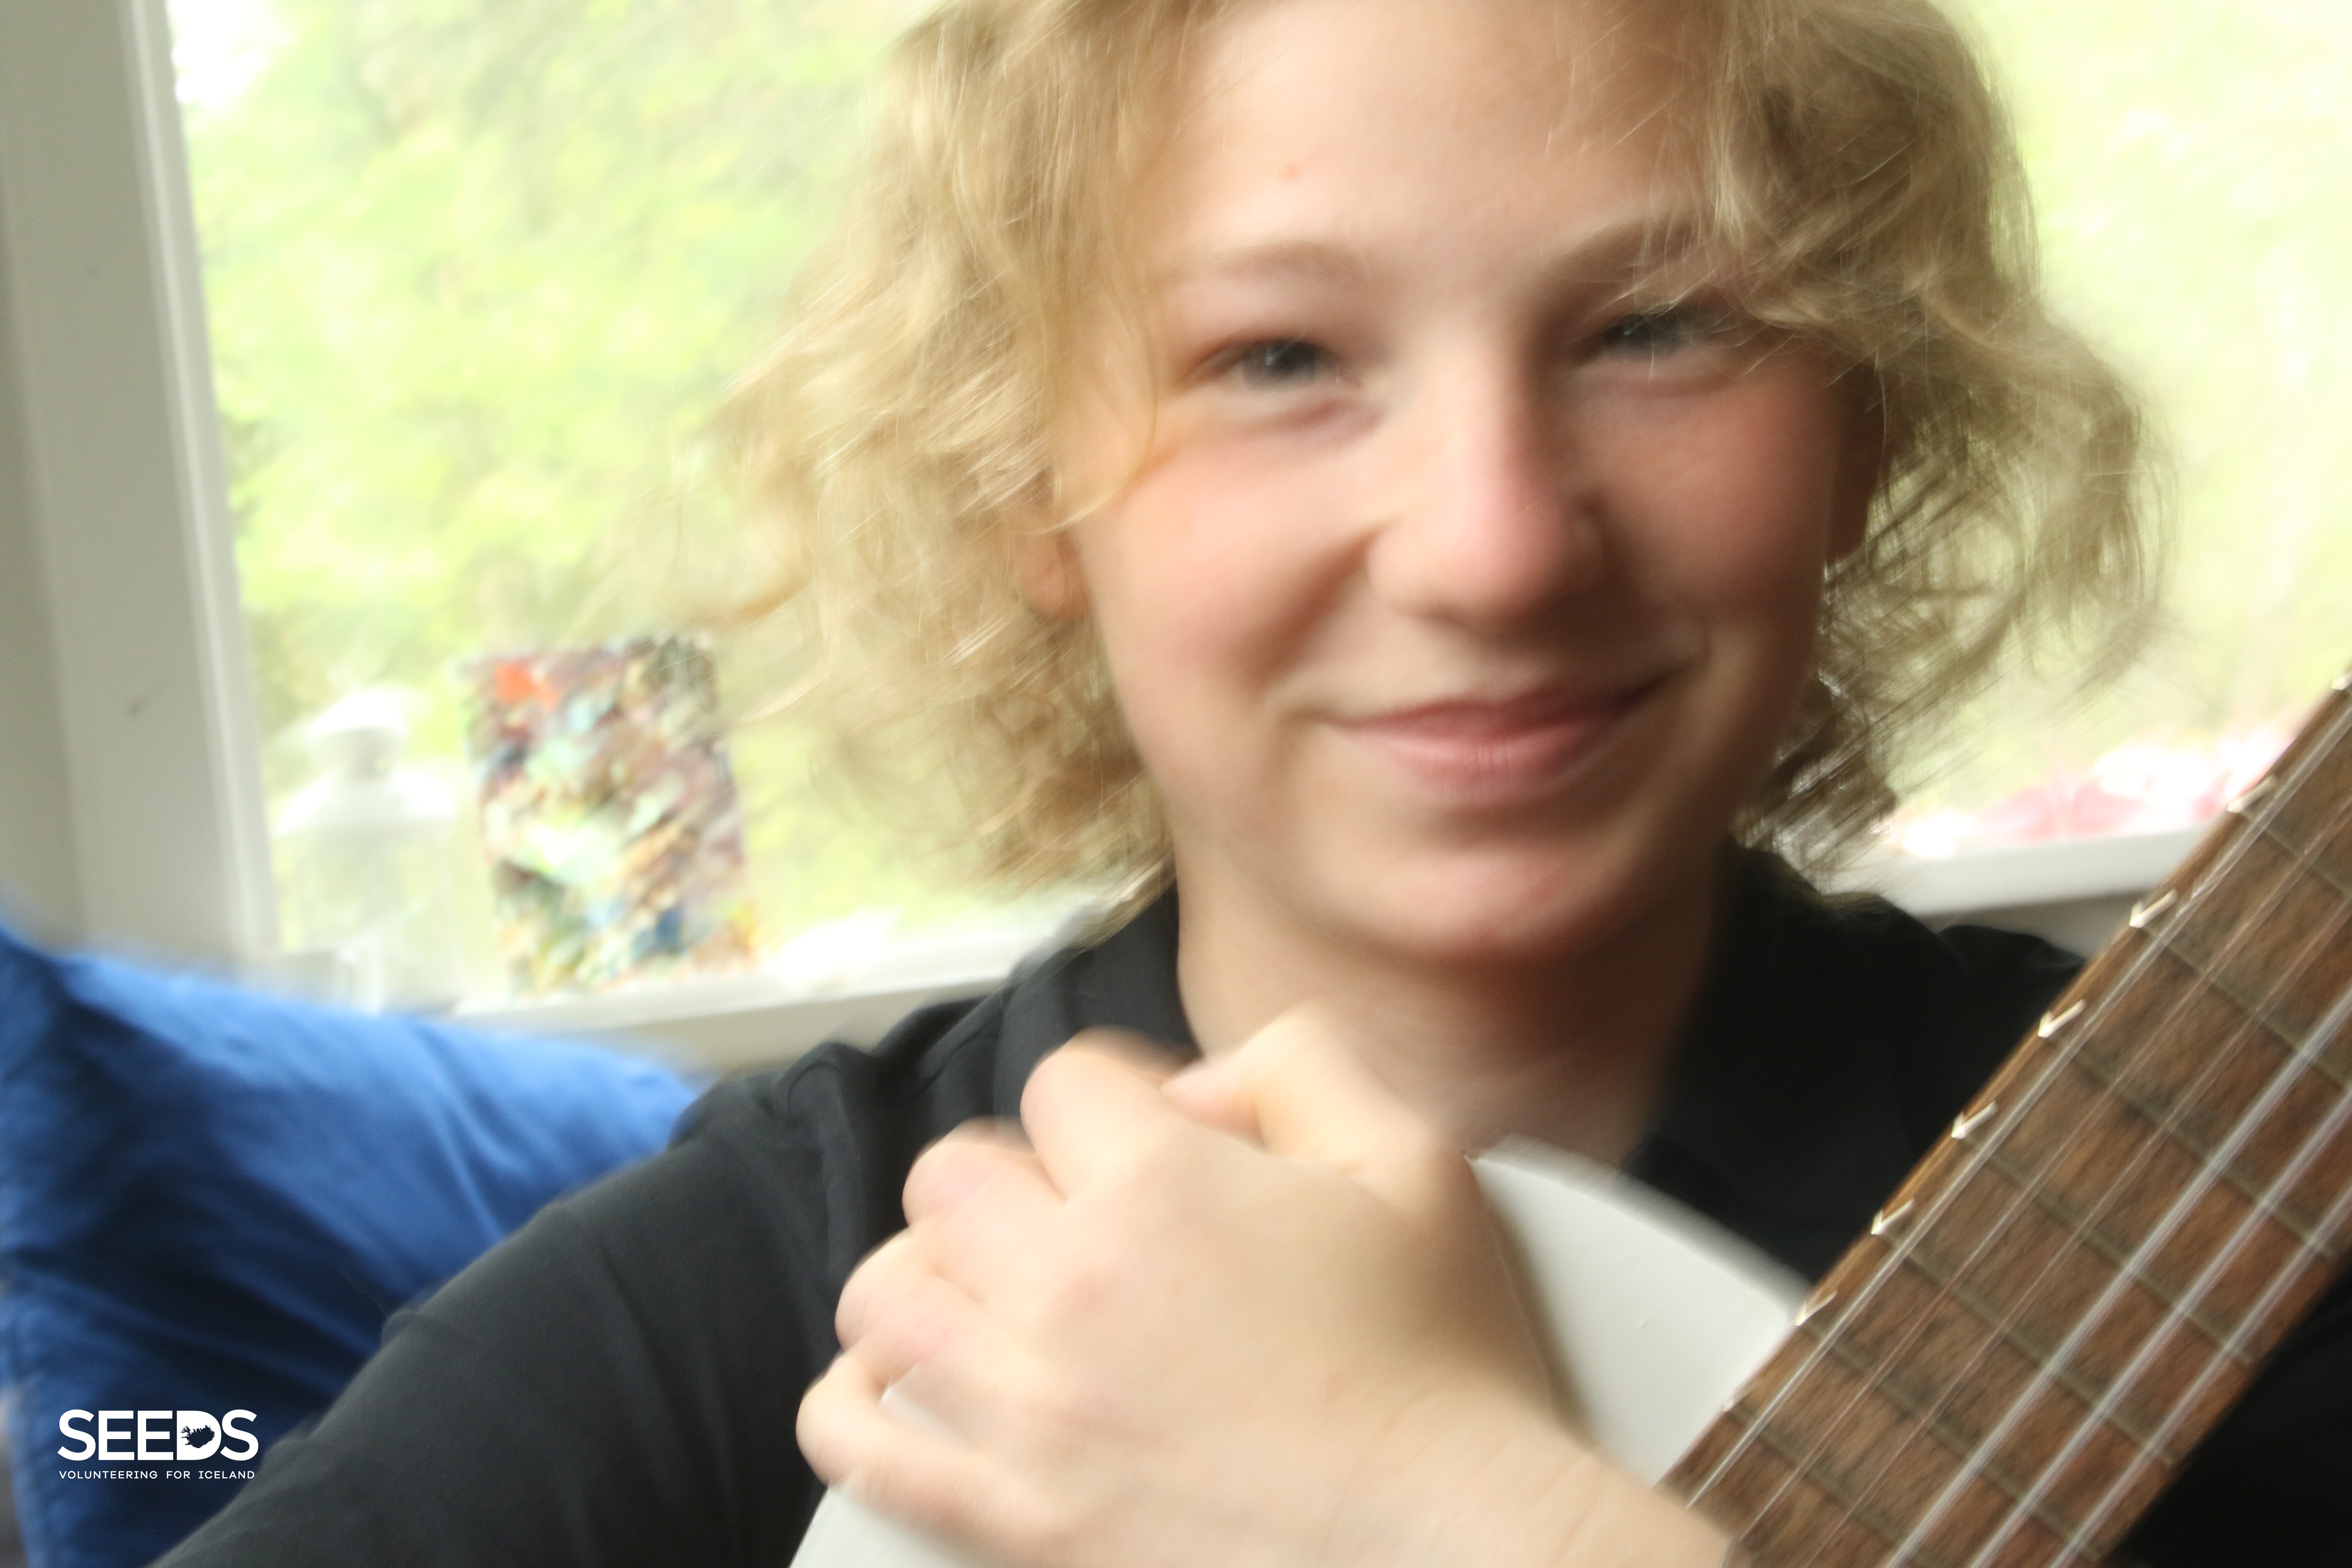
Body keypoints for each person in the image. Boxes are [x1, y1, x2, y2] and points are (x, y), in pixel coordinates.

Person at [160, 0, 2345, 1564]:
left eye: (1656, 325)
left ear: (1865, 416)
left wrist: (1433, 1505)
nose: (1493, 547)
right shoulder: (731, 1304)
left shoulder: (2243, 1209)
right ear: (1029, 484)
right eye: (1277, 357)